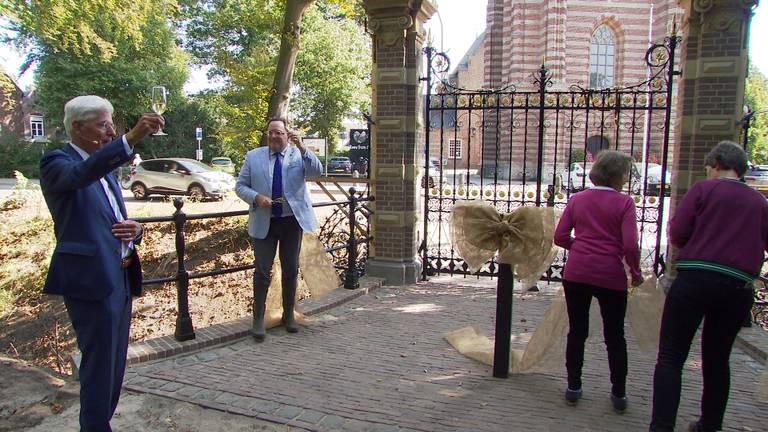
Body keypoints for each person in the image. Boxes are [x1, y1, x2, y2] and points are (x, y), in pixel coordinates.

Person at [39, 95, 163, 431]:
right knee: (98, 366)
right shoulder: (57, 162)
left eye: (112, 124)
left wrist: (135, 230)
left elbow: (114, 219)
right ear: (78, 128)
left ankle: (100, 424)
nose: (110, 131)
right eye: (103, 124)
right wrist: (131, 138)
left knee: (113, 365)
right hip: (91, 280)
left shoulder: (105, 169)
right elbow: (80, 175)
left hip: (119, 277)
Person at [649, 141, 767, 432]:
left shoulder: (703, 190)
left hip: (695, 279)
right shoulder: (759, 202)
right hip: (737, 286)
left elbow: (677, 233)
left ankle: (662, 426)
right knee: (717, 359)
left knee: (671, 355)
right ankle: (710, 423)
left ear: (716, 164)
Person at [554, 150, 643, 413]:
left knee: (577, 331)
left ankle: (573, 386)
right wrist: (635, 273)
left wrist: (579, 247)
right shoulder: (625, 203)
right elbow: (630, 244)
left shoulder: (578, 199)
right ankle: (618, 391)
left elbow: (560, 236)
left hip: (577, 272)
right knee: (615, 335)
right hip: (610, 275)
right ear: (619, 175)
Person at [236, 117, 322, 341]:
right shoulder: (253, 156)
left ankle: (288, 315)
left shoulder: (297, 154)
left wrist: (303, 147)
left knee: (291, 269)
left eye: (279, 133)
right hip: (264, 221)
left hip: (291, 222)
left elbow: (316, 172)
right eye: (271, 132)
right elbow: (240, 186)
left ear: (287, 135)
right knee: (262, 271)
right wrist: (256, 197)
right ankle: (258, 319)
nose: (274, 136)